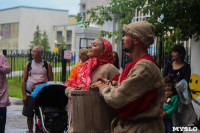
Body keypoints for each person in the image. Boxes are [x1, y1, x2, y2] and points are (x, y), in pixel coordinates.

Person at [95, 21, 165, 133]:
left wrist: (103, 88)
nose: (123, 38)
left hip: (143, 128)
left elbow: (118, 98)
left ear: (136, 39)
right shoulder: (137, 64)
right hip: (133, 126)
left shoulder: (145, 67)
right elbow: (126, 88)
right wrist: (109, 83)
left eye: (126, 35)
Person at [163, 45, 197, 130]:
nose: (172, 54)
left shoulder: (186, 67)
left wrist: (173, 92)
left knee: (179, 125)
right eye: (172, 52)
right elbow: (163, 80)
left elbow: (185, 83)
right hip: (168, 98)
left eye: (175, 52)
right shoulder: (168, 65)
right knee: (167, 121)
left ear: (181, 54)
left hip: (181, 99)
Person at [21, 45, 53, 133]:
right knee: (29, 115)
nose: (32, 53)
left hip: (42, 93)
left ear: (40, 53)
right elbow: (24, 80)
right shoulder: (28, 64)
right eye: (32, 51)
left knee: (42, 114)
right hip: (30, 93)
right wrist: (24, 95)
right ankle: (30, 131)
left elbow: (51, 80)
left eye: (35, 51)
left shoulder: (47, 64)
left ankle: (40, 130)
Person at [0, 54, 11, 133]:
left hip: (1, 98)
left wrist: (0, 66)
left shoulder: (1, 57)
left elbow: (8, 70)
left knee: (1, 125)